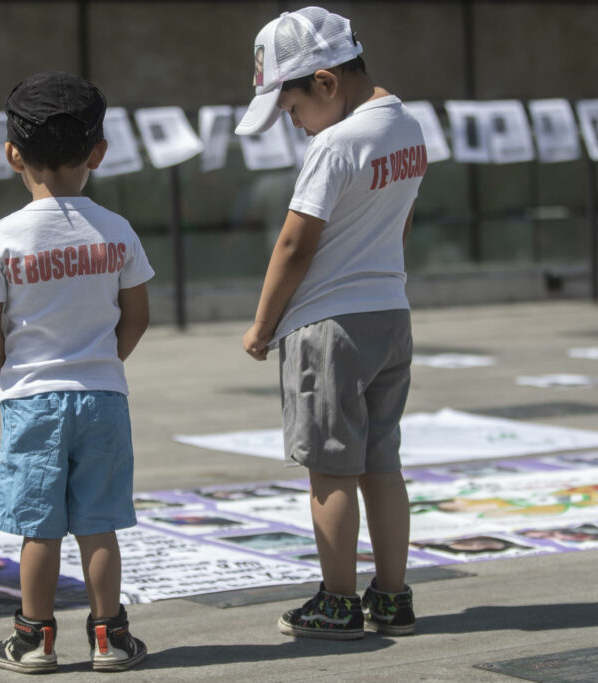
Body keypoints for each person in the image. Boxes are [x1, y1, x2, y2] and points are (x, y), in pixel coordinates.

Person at [236, 7, 427, 640]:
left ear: (325, 82)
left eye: (292, 109)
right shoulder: (407, 126)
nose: (294, 124)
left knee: (332, 469)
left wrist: (262, 326)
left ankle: (338, 600)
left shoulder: (335, 143)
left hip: (328, 327)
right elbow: (400, 220)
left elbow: (295, 243)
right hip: (390, 313)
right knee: (381, 462)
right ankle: (392, 597)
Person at [0, 71, 153, 673]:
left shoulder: (5, 235)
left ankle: (34, 640)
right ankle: (109, 637)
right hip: (103, 396)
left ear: (12, 154)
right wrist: (105, 363)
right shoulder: (117, 230)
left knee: (39, 528)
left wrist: (12, 368)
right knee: (99, 525)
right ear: (98, 153)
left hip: (31, 399)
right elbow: (137, 315)